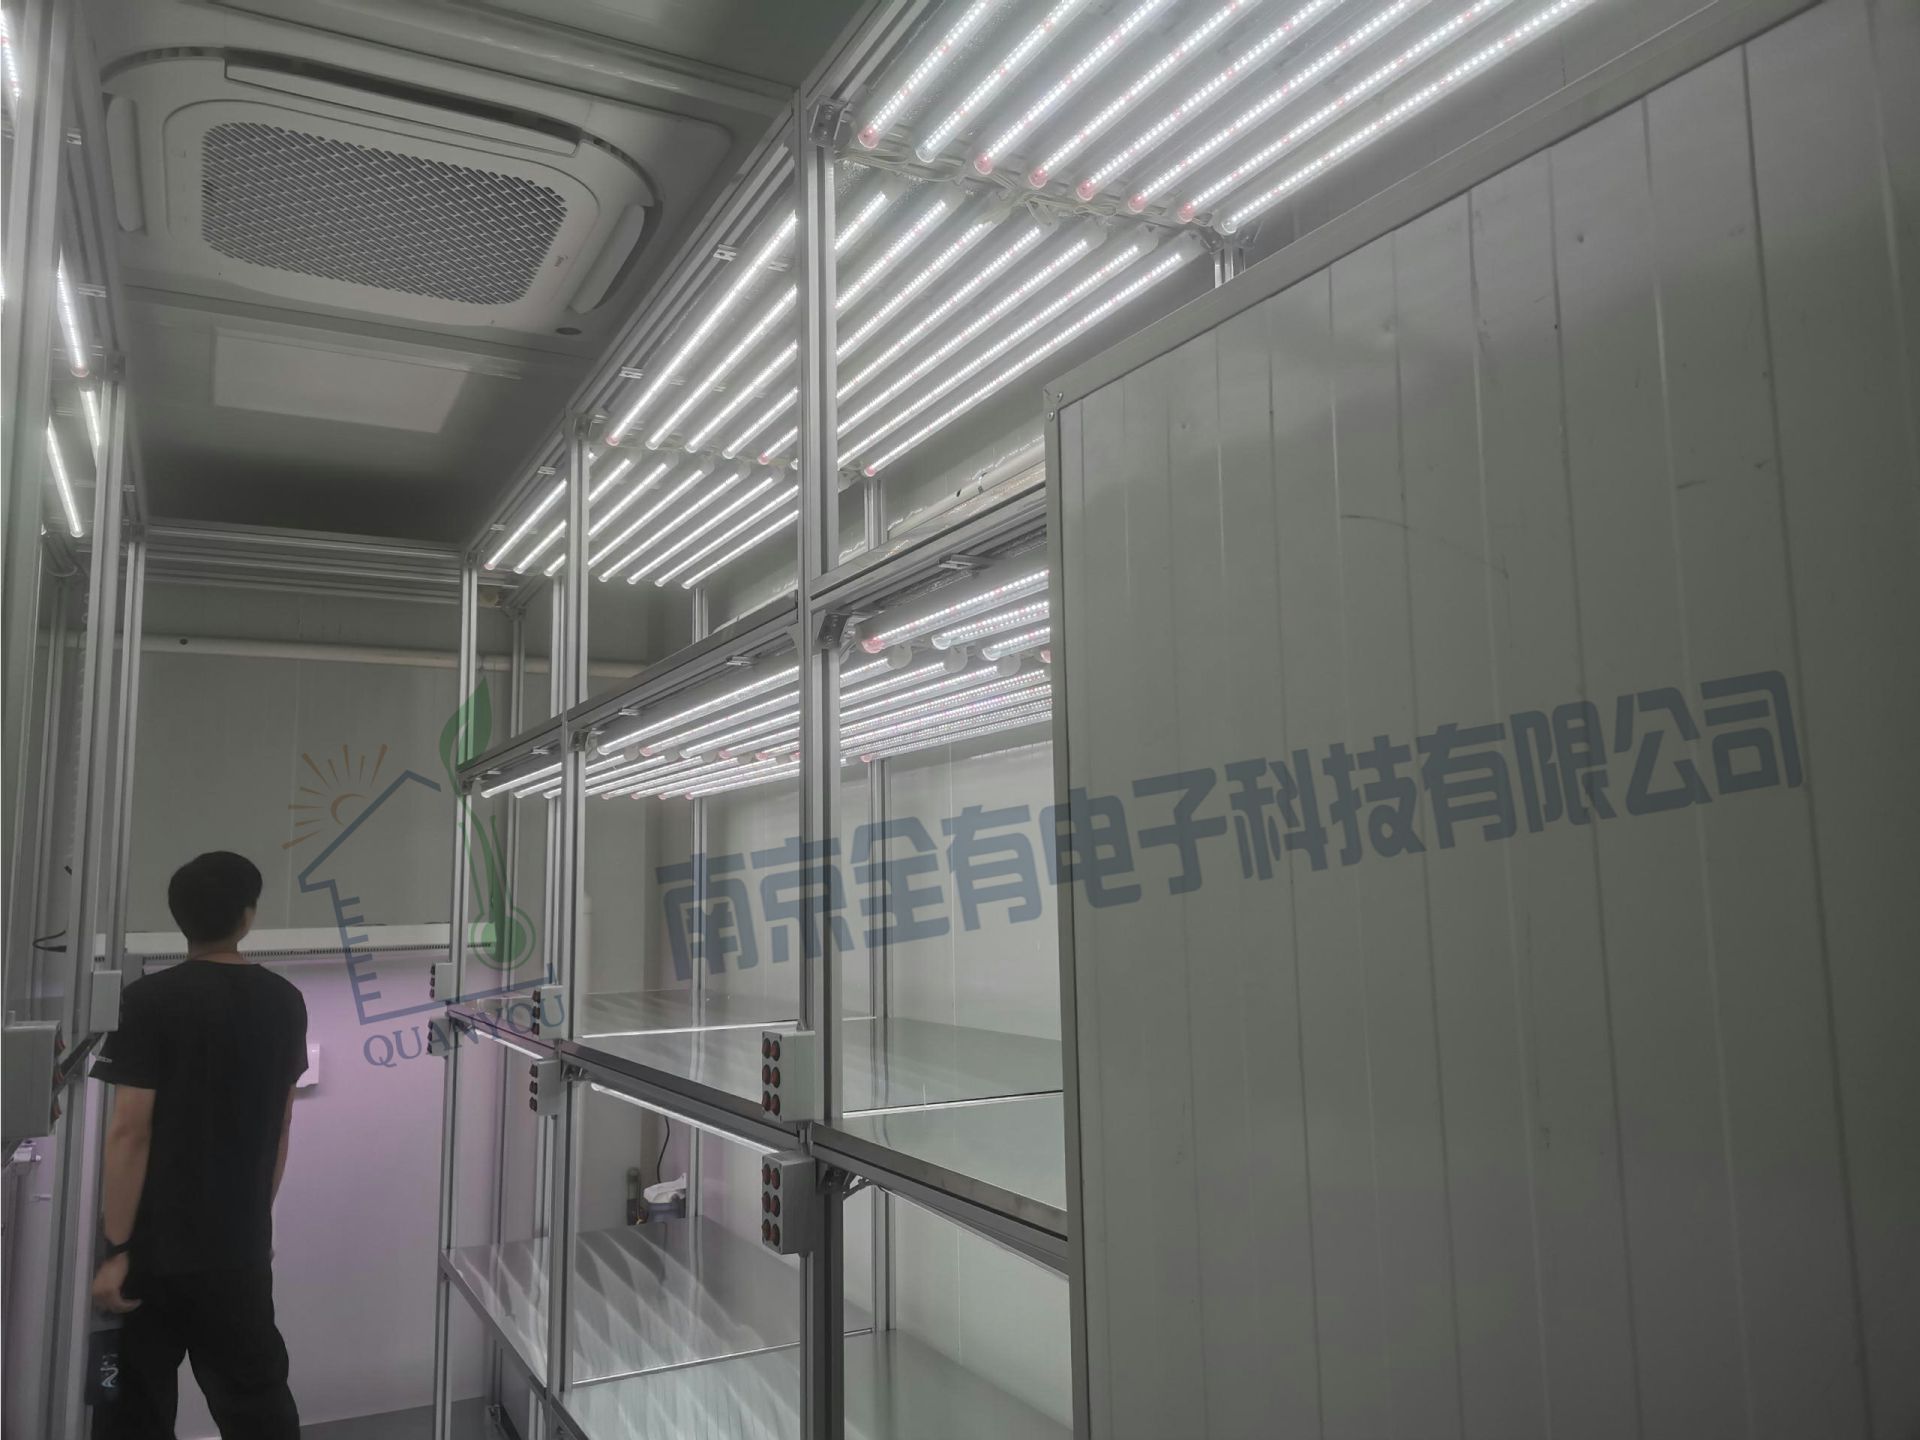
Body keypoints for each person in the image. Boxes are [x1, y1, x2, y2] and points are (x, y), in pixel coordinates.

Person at [90, 851, 306, 1438]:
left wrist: (116, 1249)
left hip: (151, 1252)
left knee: (133, 1412)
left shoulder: (146, 1000)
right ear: (247, 916)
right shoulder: (284, 1000)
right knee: (258, 1408)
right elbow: (282, 1125)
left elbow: (130, 1130)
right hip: (237, 1249)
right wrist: (254, 1223)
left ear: (179, 917)